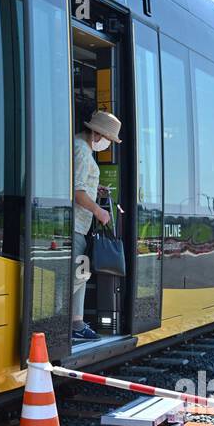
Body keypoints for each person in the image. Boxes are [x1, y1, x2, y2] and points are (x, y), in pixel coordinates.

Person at [72, 109, 121, 342]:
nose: (108, 144)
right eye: (108, 139)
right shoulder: (82, 150)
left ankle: (77, 322)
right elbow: (77, 192)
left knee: (81, 273)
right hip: (75, 224)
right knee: (77, 274)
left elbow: (82, 185)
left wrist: (95, 188)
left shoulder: (79, 147)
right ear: (97, 134)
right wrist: (99, 211)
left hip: (79, 225)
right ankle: (66, 323)